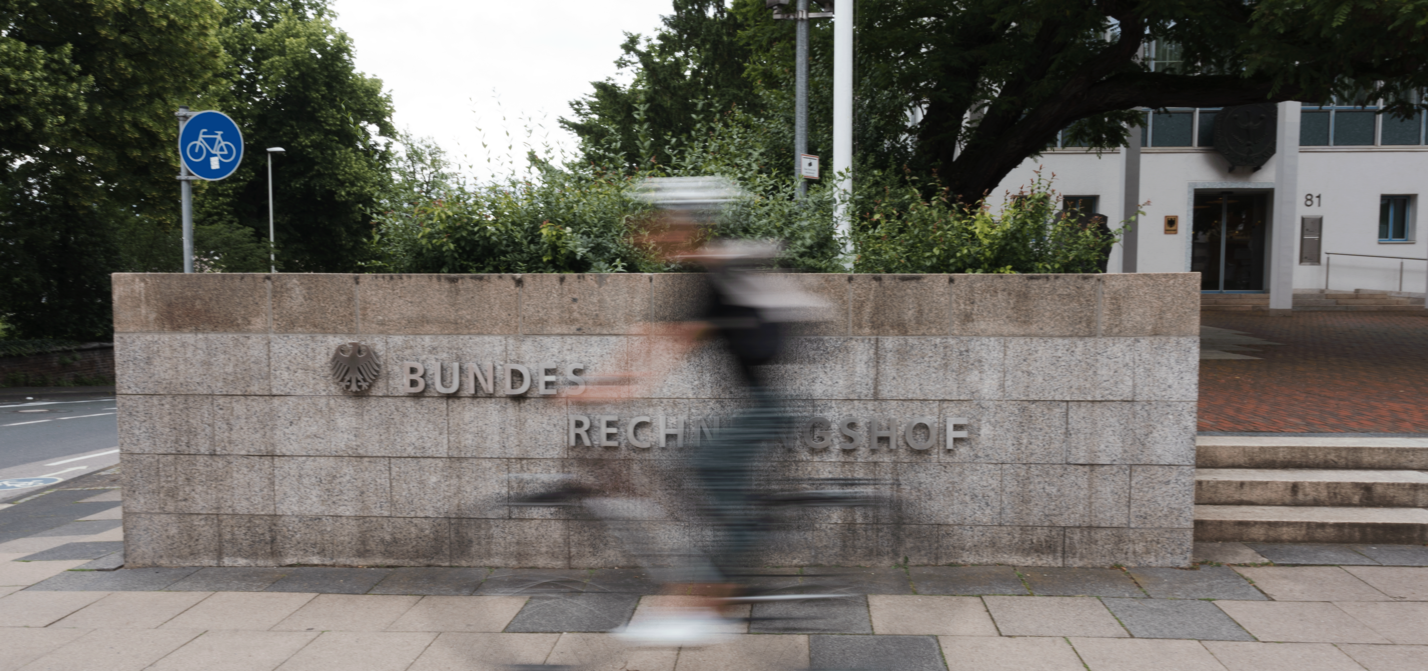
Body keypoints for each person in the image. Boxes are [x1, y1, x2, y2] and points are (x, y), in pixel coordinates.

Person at [567, 176, 822, 646]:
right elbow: (651, 335)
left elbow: (673, 346)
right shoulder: (706, 272)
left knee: (702, 466)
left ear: (688, 226)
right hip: (760, 403)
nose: (655, 234)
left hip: (768, 405)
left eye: (664, 224)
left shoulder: (718, 272)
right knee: (702, 476)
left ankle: (709, 603)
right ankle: (719, 586)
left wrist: (612, 392)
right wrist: (596, 383)